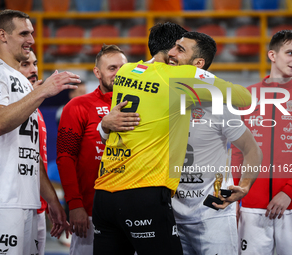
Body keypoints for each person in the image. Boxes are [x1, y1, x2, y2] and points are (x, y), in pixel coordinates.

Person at [93, 24, 252, 254]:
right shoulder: (179, 77)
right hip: (143, 192)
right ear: (170, 51)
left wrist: (103, 125)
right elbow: (243, 96)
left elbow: (110, 128)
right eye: (178, 47)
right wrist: (201, 75)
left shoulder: (126, 71)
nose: (177, 53)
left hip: (104, 193)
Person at [0, 9, 80, 254]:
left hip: (29, 201)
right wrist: (43, 92)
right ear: (2, 35)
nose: (32, 40)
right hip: (1, 199)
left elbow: (31, 153)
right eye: (24, 33)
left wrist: (52, 202)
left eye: (32, 33)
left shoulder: (23, 82)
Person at [167, 31, 262, 255]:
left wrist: (245, 186)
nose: (171, 53)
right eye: (174, 47)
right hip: (169, 215)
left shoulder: (217, 104)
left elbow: (252, 150)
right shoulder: (162, 98)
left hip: (213, 213)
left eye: (180, 50)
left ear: (198, 64)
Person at [231, 30, 292, 255]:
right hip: (252, 205)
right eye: (290, 53)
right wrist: (236, 196)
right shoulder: (248, 96)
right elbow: (238, 152)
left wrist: (289, 192)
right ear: (272, 55)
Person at [56, 44, 128, 255]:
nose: (118, 73)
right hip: (88, 211)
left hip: (131, 209)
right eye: (112, 68)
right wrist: (75, 205)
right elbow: (65, 157)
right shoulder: (77, 106)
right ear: (97, 72)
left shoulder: (143, 105)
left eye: (123, 68)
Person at [19, 48, 48, 255]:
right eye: (25, 64)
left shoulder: (36, 108)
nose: (33, 70)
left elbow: (36, 160)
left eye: (35, 64)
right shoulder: (4, 108)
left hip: (38, 205)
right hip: (15, 207)